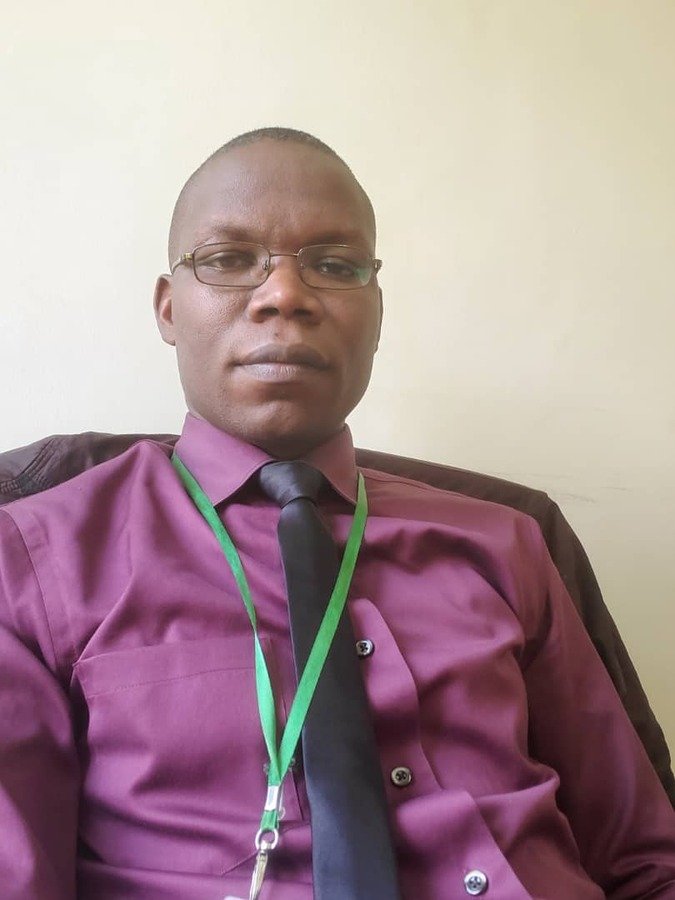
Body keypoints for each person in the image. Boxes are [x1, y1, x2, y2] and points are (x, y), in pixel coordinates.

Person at [0, 127, 674, 900]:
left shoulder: (507, 540)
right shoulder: (35, 558)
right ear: (168, 308)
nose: (284, 295)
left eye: (333, 265)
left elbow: (644, 861)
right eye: (228, 259)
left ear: (375, 314)